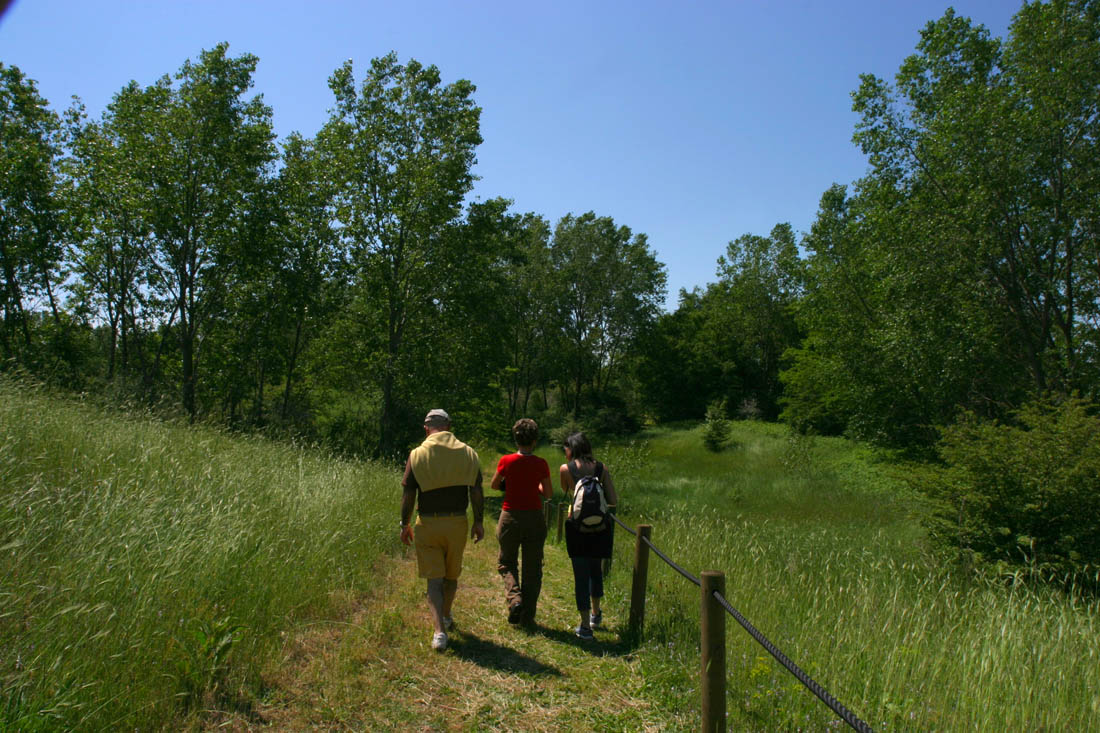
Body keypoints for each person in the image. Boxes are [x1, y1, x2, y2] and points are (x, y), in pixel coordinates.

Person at [400, 409, 485, 652]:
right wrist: (479, 522)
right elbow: (476, 491)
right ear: (448, 426)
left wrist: (404, 524)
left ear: (426, 429)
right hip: (457, 523)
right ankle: (446, 616)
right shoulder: (468, 453)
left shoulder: (417, 454)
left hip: (428, 523)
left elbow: (409, 494)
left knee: (433, 581)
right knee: (451, 576)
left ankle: (439, 632)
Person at [491, 418, 553, 627]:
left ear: (516, 439)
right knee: (532, 568)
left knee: (506, 562)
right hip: (534, 517)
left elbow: (494, 484)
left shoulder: (506, 461)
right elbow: (549, 493)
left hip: (510, 516)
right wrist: (534, 486)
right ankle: (527, 617)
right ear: (534, 441)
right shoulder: (541, 464)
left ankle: (515, 599)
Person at [559, 431, 618, 640]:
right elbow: (613, 499)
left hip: (577, 529)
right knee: (596, 571)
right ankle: (596, 614)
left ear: (571, 448)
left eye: (565, 448)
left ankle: (585, 627)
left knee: (580, 575)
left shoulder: (566, 469)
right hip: (600, 529)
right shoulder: (601, 468)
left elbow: (566, 490)